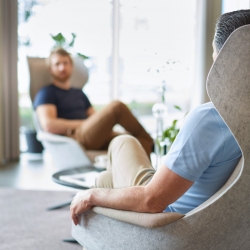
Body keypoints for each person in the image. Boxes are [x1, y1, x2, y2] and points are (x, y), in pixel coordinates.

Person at [70, 10, 247, 225]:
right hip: (216, 225)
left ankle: (99, 229)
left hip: (171, 221)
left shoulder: (210, 119)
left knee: (122, 142)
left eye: (213, 52)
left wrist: (91, 195)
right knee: (105, 180)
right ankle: (102, 233)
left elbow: (152, 201)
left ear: (223, 59)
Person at [33, 48, 154, 157]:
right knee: (117, 107)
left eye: (65, 63)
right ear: (50, 69)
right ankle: (153, 143)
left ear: (71, 66)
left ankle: (148, 178)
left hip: (92, 135)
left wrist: (105, 127)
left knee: (133, 140)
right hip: (75, 138)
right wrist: (83, 123)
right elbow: (49, 125)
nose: (62, 67)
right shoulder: (47, 92)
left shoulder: (79, 93)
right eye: (57, 64)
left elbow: (94, 117)